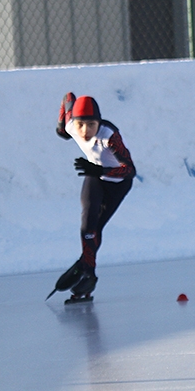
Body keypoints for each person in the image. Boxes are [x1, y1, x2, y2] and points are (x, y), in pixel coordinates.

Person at [47, 92, 136, 303]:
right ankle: (88, 273)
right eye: (81, 125)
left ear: (99, 122)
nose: (85, 131)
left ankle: (84, 265)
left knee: (96, 228)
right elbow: (68, 97)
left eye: (92, 124)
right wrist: (61, 125)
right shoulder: (71, 125)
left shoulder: (109, 137)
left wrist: (101, 170)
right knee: (88, 227)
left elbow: (130, 170)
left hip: (117, 183)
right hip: (95, 175)